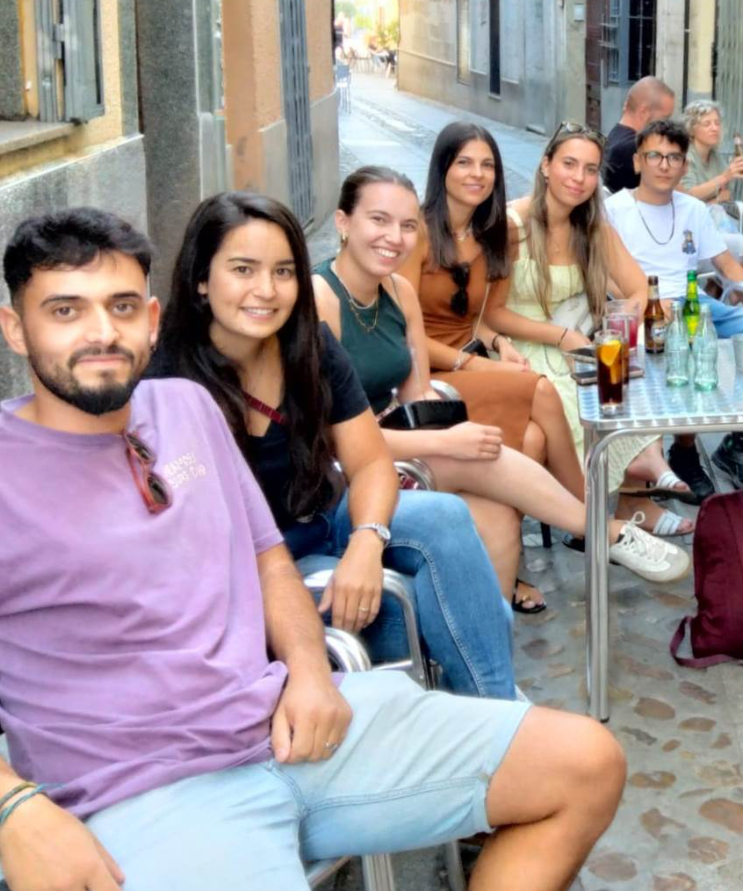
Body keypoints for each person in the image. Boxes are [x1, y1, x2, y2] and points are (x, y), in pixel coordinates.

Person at [0, 206, 626, 891]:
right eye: (65, 311)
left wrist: (307, 671)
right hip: (151, 795)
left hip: (293, 730)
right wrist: (11, 810)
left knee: (587, 764)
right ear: (15, 328)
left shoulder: (185, 408)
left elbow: (267, 557)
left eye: (120, 307)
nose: (101, 333)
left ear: (151, 318)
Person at [148, 190, 519, 699]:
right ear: (201, 279)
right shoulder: (167, 384)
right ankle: (494, 711)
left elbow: (369, 463)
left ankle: (497, 714)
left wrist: (367, 542)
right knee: (433, 612)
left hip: (331, 516)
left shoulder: (309, 345)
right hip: (265, 563)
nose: (266, 290)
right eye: (243, 269)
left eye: (283, 271)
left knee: (446, 517)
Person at [315, 166, 691, 598]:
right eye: (378, 220)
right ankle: (600, 528)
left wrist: (454, 431)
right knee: (480, 450)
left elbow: (418, 397)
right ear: (343, 222)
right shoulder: (321, 300)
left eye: (407, 226)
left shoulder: (398, 291)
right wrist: (447, 442)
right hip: (346, 473)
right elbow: (333, 440)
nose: (394, 237)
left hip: (397, 444)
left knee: (499, 518)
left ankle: (486, 634)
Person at [398, 121, 588, 611]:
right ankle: (590, 519)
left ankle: (507, 562)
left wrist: (499, 343)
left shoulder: (492, 232)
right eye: (464, 162)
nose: (477, 174)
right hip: (425, 375)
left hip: (468, 362)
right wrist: (474, 364)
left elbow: (479, 316)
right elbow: (406, 332)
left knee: (533, 440)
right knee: (540, 389)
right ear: (442, 168)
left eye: (487, 165)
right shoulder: (417, 232)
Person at [485, 123, 699, 536]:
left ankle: (637, 493)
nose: (578, 178)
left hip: (578, 342)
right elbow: (492, 314)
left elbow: (640, 289)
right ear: (546, 165)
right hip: (518, 345)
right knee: (576, 394)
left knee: (631, 381)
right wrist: (561, 336)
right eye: (569, 164)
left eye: (589, 169)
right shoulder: (513, 226)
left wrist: (620, 322)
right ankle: (600, 514)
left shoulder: (593, 228)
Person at [603, 118, 743, 490]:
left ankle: (739, 442)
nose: (664, 165)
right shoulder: (615, 210)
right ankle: (683, 451)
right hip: (643, 306)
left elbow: (725, 264)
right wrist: (634, 300)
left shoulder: (693, 209)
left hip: (696, 302)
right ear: (638, 161)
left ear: (683, 165)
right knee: (682, 345)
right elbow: (603, 274)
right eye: (655, 156)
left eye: (674, 158)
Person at [602, 77, 676, 195]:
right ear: (644, 112)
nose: (667, 124)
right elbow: (672, 194)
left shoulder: (615, 136)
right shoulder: (634, 147)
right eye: (665, 118)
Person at [680, 99, 743, 206]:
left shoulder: (716, 157)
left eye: (717, 123)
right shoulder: (684, 156)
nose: (714, 128)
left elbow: (727, 194)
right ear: (691, 129)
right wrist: (725, 177)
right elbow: (688, 195)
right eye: (707, 124)